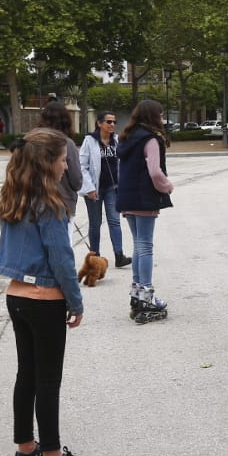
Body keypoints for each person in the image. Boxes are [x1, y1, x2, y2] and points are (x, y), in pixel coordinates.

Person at [0, 128, 97, 456]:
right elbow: (62, 259)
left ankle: (25, 447)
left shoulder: (15, 198)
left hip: (16, 295)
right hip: (44, 299)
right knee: (49, 379)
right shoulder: (50, 204)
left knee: (27, 373)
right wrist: (76, 300)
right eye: (64, 159)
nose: (67, 165)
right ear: (48, 162)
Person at [116, 99, 175, 322]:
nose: (162, 119)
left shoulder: (128, 137)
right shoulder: (150, 139)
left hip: (127, 197)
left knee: (138, 244)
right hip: (143, 198)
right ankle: (147, 294)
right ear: (153, 116)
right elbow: (155, 171)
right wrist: (167, 186)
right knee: (145, 246)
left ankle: (137, 292)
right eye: (160, 115)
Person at [78, 111, 130, 268]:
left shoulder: (116, 140)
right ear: (99, 123)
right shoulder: (90, 141)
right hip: (94, 189)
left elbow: (123, 163)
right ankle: (95, 258)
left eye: (114, 122)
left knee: (114, 221)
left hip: (112, 188)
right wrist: (89, 187)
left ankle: (119, 255)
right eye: (108, 122)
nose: (112, 125)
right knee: (95, 223)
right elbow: (82, 166)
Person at [37, 100, 83, 215]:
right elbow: (76, 180)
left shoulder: (33, 141)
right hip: (63, 203)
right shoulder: (67, 144)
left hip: (35, 202)